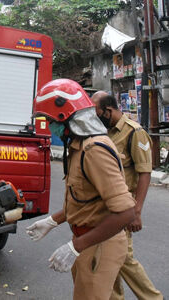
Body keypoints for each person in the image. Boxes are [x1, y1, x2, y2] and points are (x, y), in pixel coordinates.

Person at [25, 79, 135, 299]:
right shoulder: (79, 146)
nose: (50, 126)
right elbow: (84, 200)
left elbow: (125, 212)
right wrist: (52, 221)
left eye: (50, 121)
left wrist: (76, 246)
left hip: (98, 244)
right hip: (89, 242)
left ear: (65, 117)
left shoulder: (94, 150)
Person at [91, 91, 163, 300]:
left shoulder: (134, 132)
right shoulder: (102, 132)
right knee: (108, 259)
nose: (94, 116)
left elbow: (144, 173)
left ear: (108, 110)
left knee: (122, 258)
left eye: (96, 112)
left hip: (123, 208)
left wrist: (136, 212)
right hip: (104, 208)